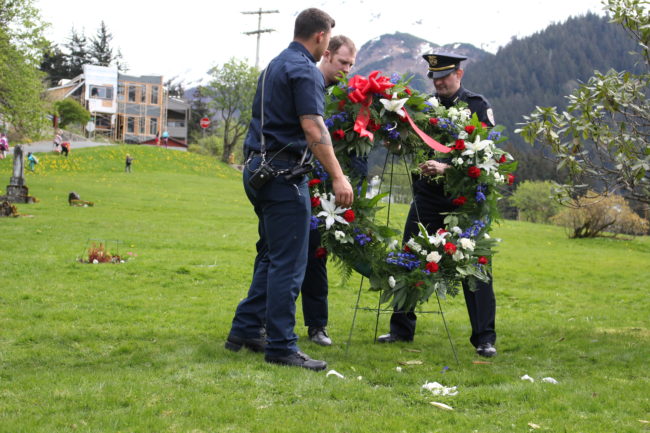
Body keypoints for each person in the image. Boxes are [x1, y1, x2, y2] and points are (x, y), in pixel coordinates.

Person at [225, 8, 353, 371]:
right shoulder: (304, 71)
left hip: (256, 170)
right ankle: (281, 346)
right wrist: (339, 177)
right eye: (328, 38)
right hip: (283, 176)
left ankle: (246, 329)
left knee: (270, 255)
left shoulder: (274, 66)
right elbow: (314, 129)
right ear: (320, 37)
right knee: (289, 263)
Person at [377, 52, 498, 358]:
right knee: (409, 257)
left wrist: (448, 169)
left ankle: (484, 338)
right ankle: (401, 330)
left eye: (445, 76)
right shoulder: (422, 109)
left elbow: (485, 157)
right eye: (435, 77)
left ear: (459, 74)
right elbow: (408, 142)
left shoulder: (476, 106)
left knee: (476, 268)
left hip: (463, 202)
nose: (439, 83)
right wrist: (394, 141)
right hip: (426, 198)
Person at [300, 35, 357, 347]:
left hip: (329, 187)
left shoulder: (346, 98)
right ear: (327, 54)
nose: (346, 69)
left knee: (316, 256)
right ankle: (264, 323)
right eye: (342, 62)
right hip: (300, 178)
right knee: (279, 254)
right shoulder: (309, 84)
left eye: (350, 64)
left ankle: (317, 326)